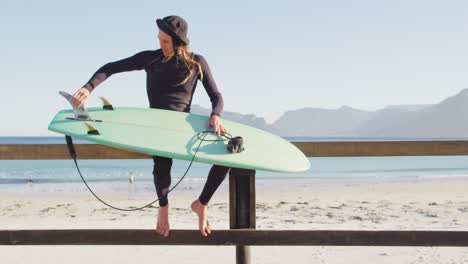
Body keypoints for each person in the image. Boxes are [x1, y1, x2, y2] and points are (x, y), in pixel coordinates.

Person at [71, 15, 231, 237]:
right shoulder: (151, 59)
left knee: (228, 154)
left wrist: (216, 115)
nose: (161, 45)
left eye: (165, 41)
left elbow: (217, 96)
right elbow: (111, 67)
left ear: (179, 42)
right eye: (159, 39)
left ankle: (201, 203)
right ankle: (163, 207)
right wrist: (88, 87)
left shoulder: (196, 63)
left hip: (182, 124)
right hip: (157, 126)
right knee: (162, 166)